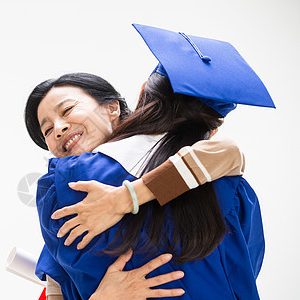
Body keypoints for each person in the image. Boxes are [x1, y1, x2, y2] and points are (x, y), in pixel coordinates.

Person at [26, 24, 274, 299]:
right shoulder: (231, 186)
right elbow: (245, 272)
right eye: (47, 130)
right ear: (213, 128)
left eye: (68, 109)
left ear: (118, 105)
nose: (58, 129)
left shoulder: (65, 189)